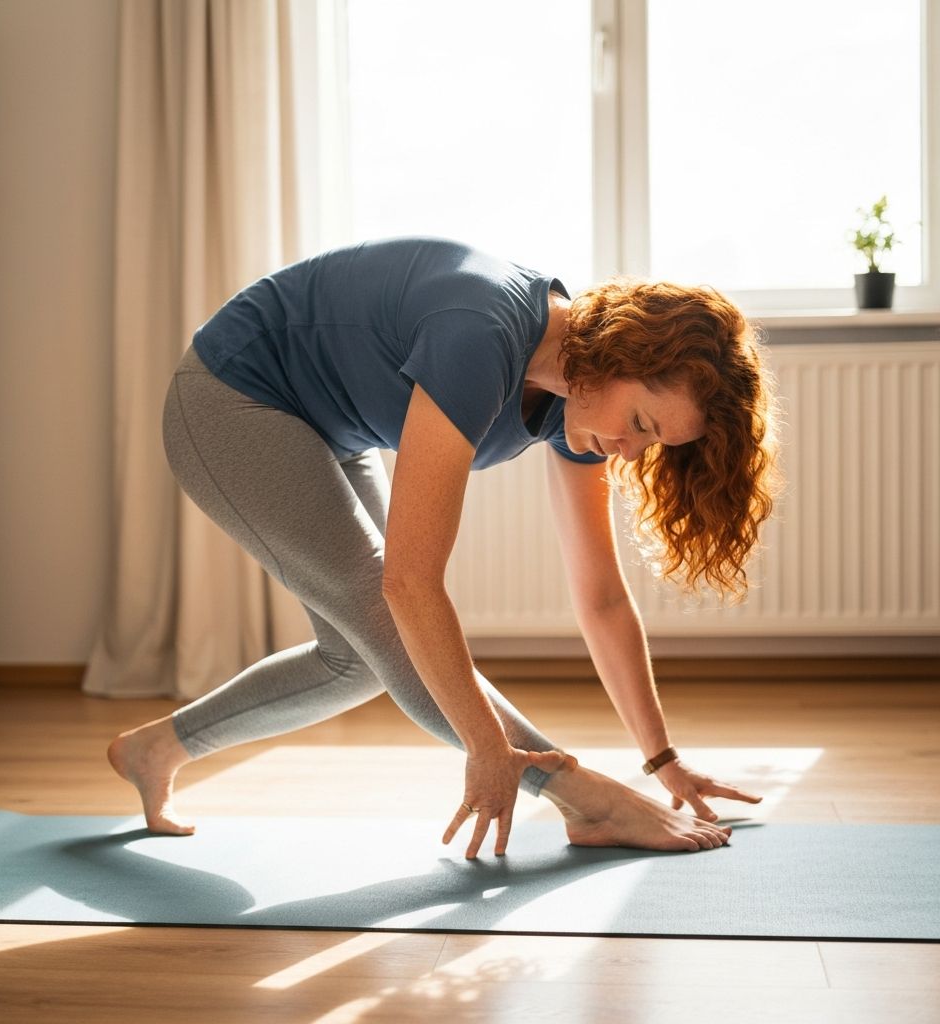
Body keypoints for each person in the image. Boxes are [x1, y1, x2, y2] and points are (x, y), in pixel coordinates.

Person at [108, 236, 779, 859]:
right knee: (385, 618)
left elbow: (601, 599)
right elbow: (409, 582)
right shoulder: (480, 337)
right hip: (232, 396)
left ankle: (155, 750)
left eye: (652, 441)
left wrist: (663, 760)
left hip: (325, 427)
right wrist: (488, 746)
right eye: (640, 423)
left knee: (361, 658)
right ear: (619, 355)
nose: (632, 450)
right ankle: (588, 799)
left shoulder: (573, 399)